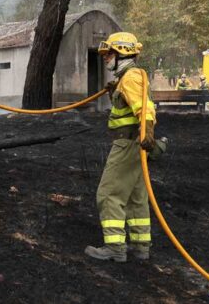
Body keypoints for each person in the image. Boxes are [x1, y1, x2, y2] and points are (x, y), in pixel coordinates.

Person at [85, 32, 157, 262]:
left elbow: (144, 108)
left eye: (109, 54)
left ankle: (115, 248)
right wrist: (113, 92)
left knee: (108, 194)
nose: (105, 58)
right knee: (136, 195)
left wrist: (149, 132)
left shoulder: (130, 78)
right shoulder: (126, 79)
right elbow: (128, 107)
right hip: (134, 144)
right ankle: (140, 246)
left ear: (122, 53)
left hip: (127, 144)